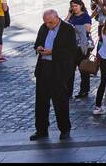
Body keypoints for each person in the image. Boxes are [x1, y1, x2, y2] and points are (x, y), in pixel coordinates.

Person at [32, 8, 80, 140]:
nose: (48, 25)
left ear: (57, 18)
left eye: (50, 22)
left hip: (58, 69)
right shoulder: (44, 27)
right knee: (41, 102)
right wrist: (39, 48)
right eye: (46, 22)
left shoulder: (68, 29)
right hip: (43, 68)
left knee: (60, 101)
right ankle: (41, 130)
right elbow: (37, 43)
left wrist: (52, 52)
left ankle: (65, 129)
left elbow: (71, 51)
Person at [65, 0, 94, 99]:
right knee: (69, 70)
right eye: (72, 6)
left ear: (81, 5)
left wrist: (72, 27)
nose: (74, 8)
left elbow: (87, 28)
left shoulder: (85, 16)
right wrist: (69, 15)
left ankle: (84, 91)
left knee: (83, 69)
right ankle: (68, 92)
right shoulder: (71, 16)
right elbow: (63, 27)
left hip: (82, 47)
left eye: (75, 6)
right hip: (71, 47)